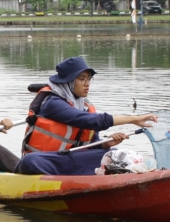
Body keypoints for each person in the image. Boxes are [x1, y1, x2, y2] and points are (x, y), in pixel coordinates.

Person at [16, 56, 157, 176]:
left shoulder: (83, 105)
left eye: (89, 79)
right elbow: (90, 121)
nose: (87, 83)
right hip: (48, 160)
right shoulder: (53, 103)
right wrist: (134, 119)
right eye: (82, 79)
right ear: (68, 82)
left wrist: (106, 143)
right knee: (30, 160)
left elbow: (91, 142)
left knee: (114, 153)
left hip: (69, 159)